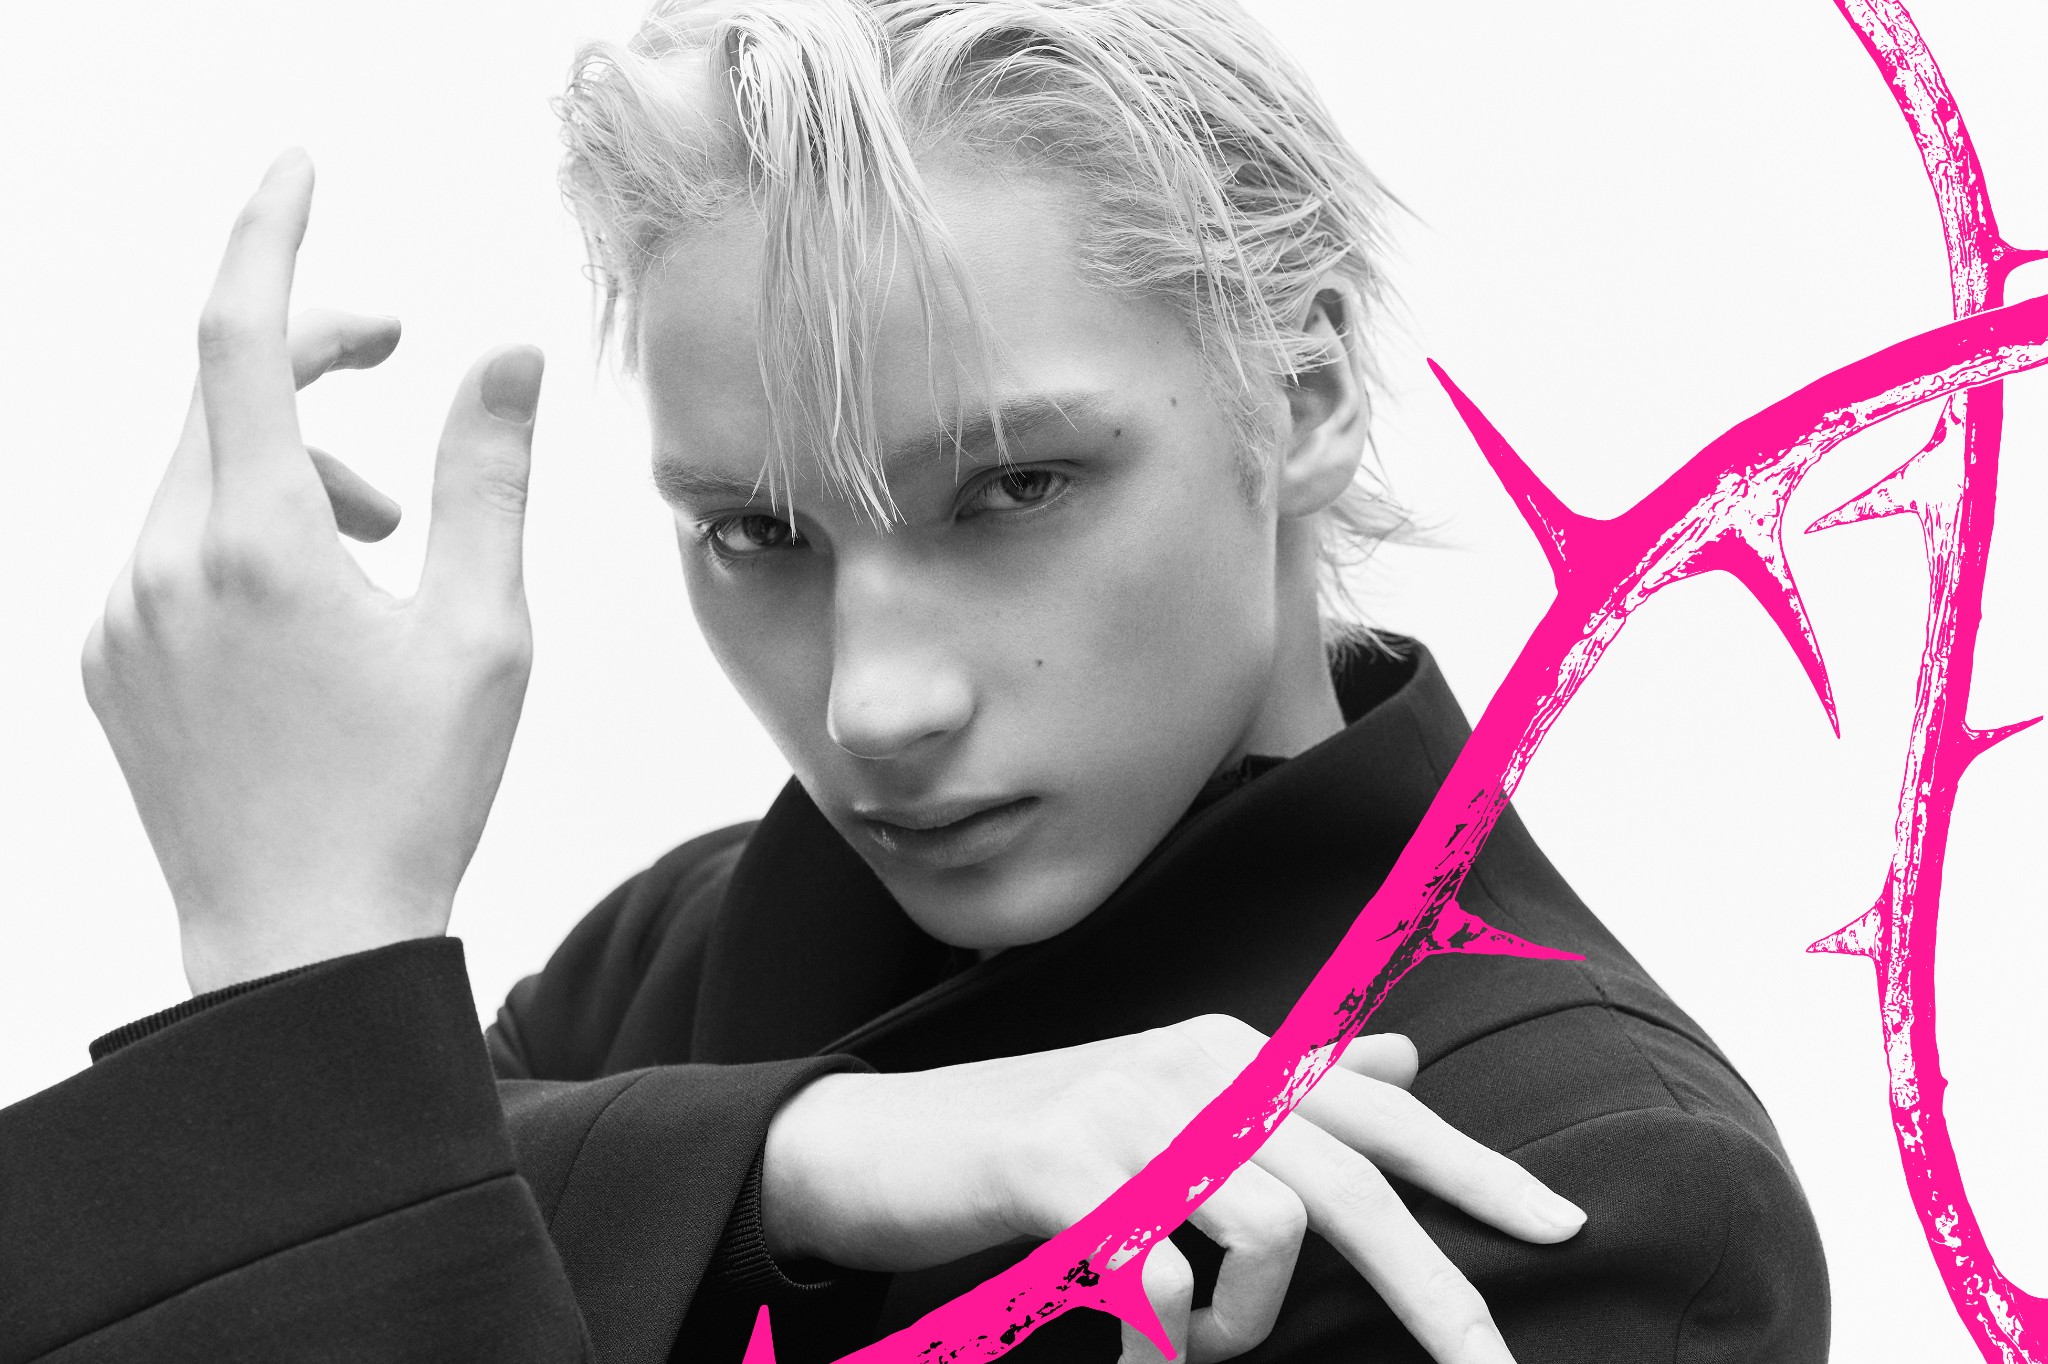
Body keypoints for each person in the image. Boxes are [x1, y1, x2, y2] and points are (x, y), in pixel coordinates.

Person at [0, 69, 1578, 1364]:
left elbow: (332, 1198)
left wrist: (309, 953)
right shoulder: (695, 949)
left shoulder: (1578, 1181)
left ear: (1304, 394)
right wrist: (804, 1152)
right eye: (756, 531)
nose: (873, 705)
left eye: (1014, 486)